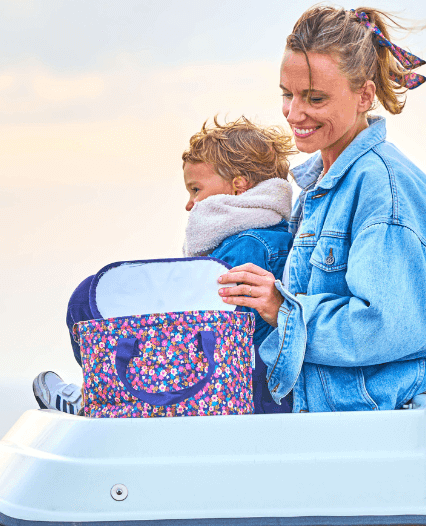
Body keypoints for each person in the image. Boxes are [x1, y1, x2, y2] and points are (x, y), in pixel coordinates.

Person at [217, 5, 426, 412]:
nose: (295, 113)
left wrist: (281, 309)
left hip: (351, 421)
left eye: (315, 98)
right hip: (317, 410)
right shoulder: (323, 183)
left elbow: (385, 325)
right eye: (287, 95)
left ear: (365, 95)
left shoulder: (383, 190)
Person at [34, 116, 296, 414]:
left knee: (86, 299)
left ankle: (103, 396)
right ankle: (101, 390)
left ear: (238, 187)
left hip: (242, 386)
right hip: (245, 379)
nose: (189, 204)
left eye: (195, 190)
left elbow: (211, 317)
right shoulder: (267, 238)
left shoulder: (249, 247)